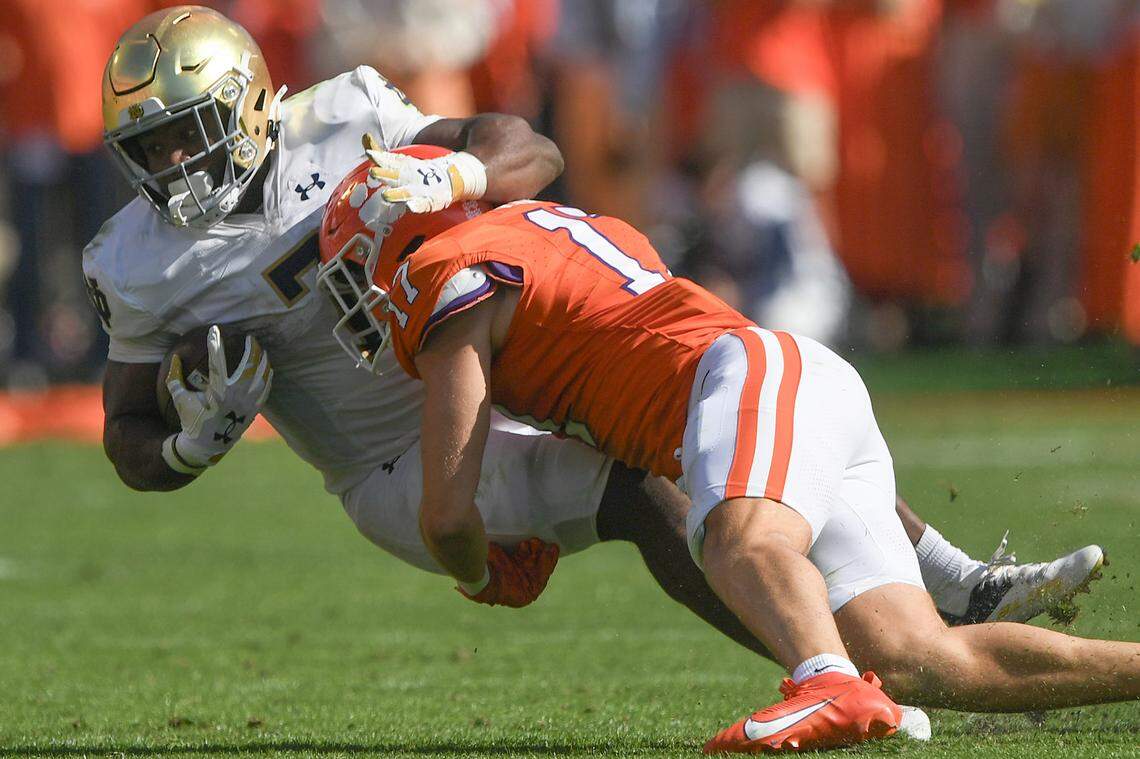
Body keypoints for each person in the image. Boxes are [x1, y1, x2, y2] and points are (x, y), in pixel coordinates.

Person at [87, 2, 1101, 710]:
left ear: (254, 103)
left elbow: (531, 150)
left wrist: (459, 175)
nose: (177, 169)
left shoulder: (343, 117)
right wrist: (184, 449)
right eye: (154, 152)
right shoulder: (138, 261)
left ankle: (937, 585)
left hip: (486, 361)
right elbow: (125, 430)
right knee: (643, 488)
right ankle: (835, 666)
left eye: (192, 136)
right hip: (389, 463)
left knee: (707, 436)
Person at [315, 152, 1140, 753]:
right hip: (784, 387)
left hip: (743, 380)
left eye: (356, 264)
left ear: (399, 235)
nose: (363, 293)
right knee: (916, 661)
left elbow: (448, 508)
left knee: (739, 541)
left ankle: (825, 679)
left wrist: (479, 571)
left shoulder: (442, 268)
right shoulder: (543, 225)